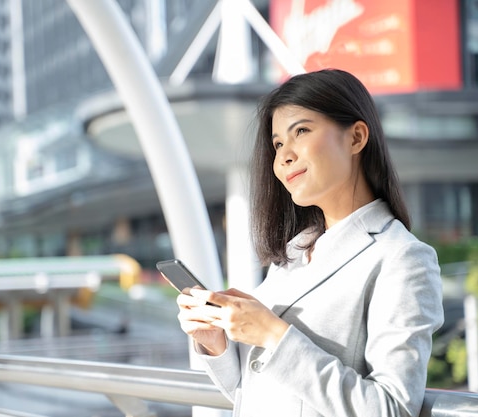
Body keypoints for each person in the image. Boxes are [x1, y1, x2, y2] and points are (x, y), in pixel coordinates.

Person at [176, 69, 444, 416]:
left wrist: (274, 334)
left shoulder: (403, 258)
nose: (284, 156)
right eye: (277, 144)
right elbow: (264, 391)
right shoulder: (293, 252)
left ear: (356, 138)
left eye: (300, 131)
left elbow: (391, 409)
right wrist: (217, 343)